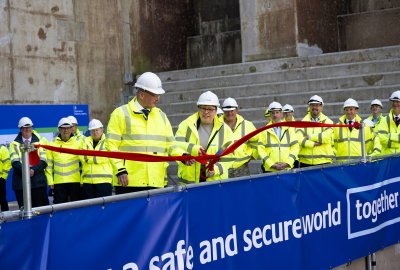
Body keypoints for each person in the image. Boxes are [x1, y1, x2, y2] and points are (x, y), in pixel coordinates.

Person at [107, 72, 187, 194]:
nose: (158, 98)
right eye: (155, 94)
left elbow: (171, 145)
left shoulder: (162, 116)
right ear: (142, 94)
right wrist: (120, 170)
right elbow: (111, 145)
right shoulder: (120, 114)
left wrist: (182, 156)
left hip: (157, 181)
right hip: (129, 182)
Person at [175, 91, 234, 183]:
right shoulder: (186, 125)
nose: (206, 112)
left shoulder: (225, 130)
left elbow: (230, 156)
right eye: (203, 108)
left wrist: (216, 169)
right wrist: (184, 157)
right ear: (198, 108)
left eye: (210, 109)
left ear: (216, 110)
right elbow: (175, 146)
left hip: (215, 183)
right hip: (189, 183)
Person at [9, 117, 49, 208]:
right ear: (20, 129)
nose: (27, 130)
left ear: (32, 128)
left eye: (29, 127)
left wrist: (33, 170)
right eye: (25, 128)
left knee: (41, 211)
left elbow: (44, 161)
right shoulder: (14, 144)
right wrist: (27, 171)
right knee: (24, 212)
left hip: (38, 183)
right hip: (21, 184)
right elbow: (15, 163)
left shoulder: (40, 142)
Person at [46, 117, 83, 203]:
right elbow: (49, 165)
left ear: (71, 129)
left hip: (75, 181)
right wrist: (50, 181)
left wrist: (82, 180)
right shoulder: (52, 145)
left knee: (76, 208)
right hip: (59, 183)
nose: (66, 130)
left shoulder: (79, 143)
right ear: (59, 129)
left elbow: (83, 164)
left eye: (68, 128)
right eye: (63, 128)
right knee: (60, 209)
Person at [221, 97, 258, 177]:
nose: (229, 113)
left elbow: (256, 141)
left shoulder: (248, 125)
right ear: (223, 111)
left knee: (244, 189)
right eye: (227, 111)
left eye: (232, 111)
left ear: (237, 110)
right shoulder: (216, 125)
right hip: (223, 168)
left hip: (242, 168)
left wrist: (251, 156)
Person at [258, 102, 299, 173]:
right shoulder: (264, 131)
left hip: (287, 168)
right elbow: (261, 150)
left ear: (281, 114)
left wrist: (287, 163)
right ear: (270, 114)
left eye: (277, 112)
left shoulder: (289, 129)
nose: (275, 115)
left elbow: (295, 147)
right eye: (273, 113)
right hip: (270, 169)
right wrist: (271, 164)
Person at [296, 95, 335, 167]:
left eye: (317, 105)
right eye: (312, 105)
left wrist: (310, 137)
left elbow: (326, 137)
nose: (314, 107)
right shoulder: (302, 122)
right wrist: (313, 144)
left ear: (321, 107)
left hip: (324, 162)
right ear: (309, 107)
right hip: (305, 162)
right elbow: (299, 139)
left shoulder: (328, 122)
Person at [376, 90, 400, 155]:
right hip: (388, 159)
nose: (395, 104)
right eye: (393, 102)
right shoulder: (384, 120)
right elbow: (382, 139)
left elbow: (385, 138)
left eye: (397, 102)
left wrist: (390, 135)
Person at [0, 145, 11, 211]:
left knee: (2, 199)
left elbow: (8, 164)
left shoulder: (3, 149)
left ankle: (5, 216)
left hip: (0, 178)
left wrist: (3, 177)